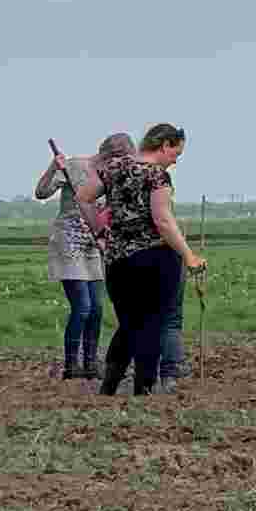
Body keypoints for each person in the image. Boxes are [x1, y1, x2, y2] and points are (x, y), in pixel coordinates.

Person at [67, 126, 209, 398]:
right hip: (155, 258)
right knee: (153, 323)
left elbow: (83, 198)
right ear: (164, 145)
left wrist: (100, 231)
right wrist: (189, 255)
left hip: (118, 261)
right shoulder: (157, 175)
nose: (175, 160)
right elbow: (163, 221)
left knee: (130, 323)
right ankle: (143, 388)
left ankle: (108, 387)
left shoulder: (114, 168)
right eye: (176, 153)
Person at [34, 153, 105, 381]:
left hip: (93, 242)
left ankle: (91, 364)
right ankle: (71, 366)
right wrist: (52, 166)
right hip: (68, 241)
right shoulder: (75, 166)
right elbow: (41, 192)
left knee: (97, 308)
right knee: (82, 307)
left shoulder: (115, 173)